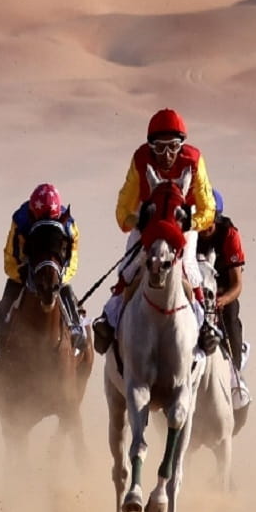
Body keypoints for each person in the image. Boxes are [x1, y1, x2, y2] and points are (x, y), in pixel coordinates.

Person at [93, 109, 217, 353]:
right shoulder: (141, 159)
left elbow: (208, 209)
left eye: (173, 147)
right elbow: (123, 209)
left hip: (182, 221)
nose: (167, 155)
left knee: (189, 266)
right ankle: (110, 318)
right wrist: (138, 221)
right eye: (159, 148)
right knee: (130, 265)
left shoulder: (193, 161)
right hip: (149, 220)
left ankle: (205, 326)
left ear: (182, 145)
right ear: (151, 147)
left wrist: (190, 223)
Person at [0, 183, 86, 352]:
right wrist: (21, 274)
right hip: (27, 268)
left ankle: (75, 327)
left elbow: (73, 260)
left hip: (55, 271)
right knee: (12, 286)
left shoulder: (69, 226)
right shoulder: (21, 221)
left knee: (65, 288)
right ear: (33, 216)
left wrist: (62, 275)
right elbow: (10, 258)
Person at [200, 189, 249, 408]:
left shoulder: (229, 235)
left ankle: (235, 376)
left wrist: (222, 300)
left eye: (208, 220)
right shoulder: (188, 232)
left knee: (230, 319)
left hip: (222, 298)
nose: (203, 227)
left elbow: (237, 285)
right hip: (194, 295)